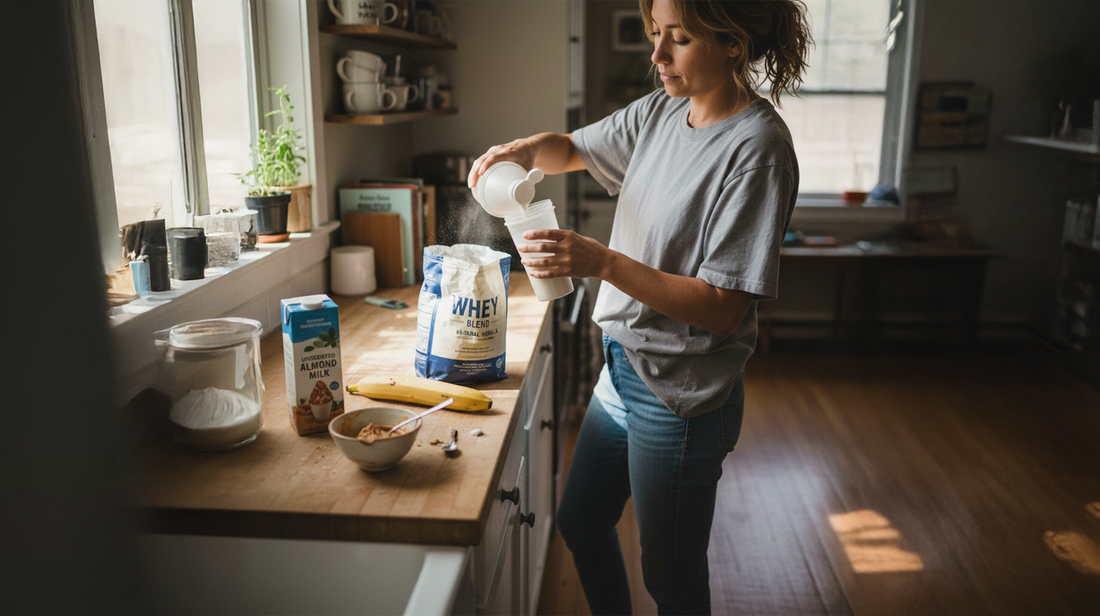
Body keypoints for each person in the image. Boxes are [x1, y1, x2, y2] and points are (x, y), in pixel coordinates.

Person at [468, 0, 811, 613]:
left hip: (681, 396)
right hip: (624, 370)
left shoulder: (757, 149)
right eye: (657, 33)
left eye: (678, 39)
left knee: (672, 583)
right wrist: (518, 151)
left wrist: (602, 263)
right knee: (580, 523)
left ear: (733, 43)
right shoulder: (662, 110)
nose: (656, 55)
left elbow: (722, 308)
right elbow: (569, 148)